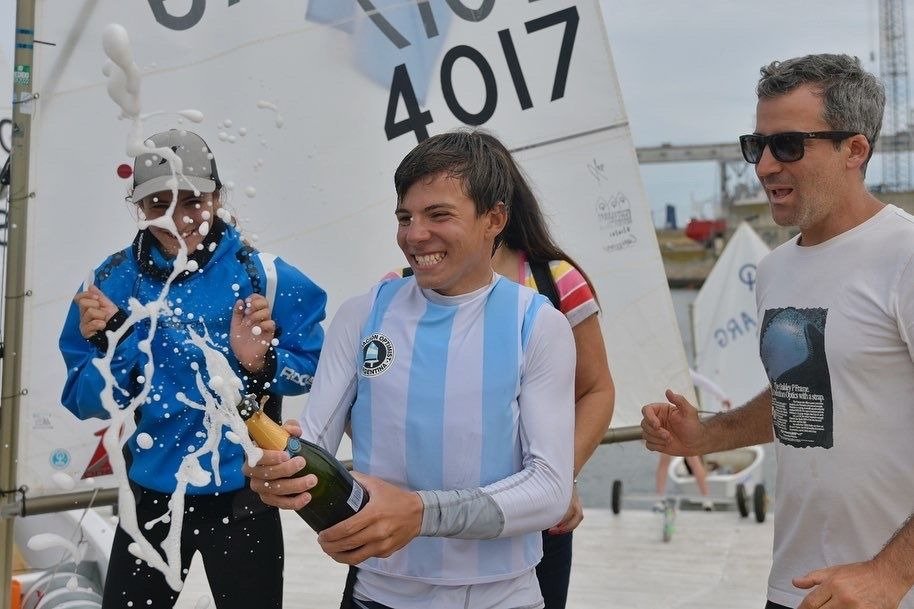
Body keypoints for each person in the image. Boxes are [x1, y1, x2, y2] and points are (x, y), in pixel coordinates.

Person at [245, 129, 576, 609]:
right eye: (405, 217)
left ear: (495, 219)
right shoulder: (362, 314)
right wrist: (278, 475)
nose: (415, 235)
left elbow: (549, 488)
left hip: (502, 596)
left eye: (438, 214)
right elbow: (313, 446)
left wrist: (420, 514)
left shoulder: (539, 324)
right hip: (379, 596)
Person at [641, 54, 914, 609]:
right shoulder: (775, 269)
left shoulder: (905, 256)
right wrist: (705, 437)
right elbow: (805, 392)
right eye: (756, 145)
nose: (763, 166)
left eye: (787, 145)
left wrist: (889, 574)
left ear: (854, 151)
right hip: (795, 586)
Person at [58, 129, 327, 609]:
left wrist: (261, 362)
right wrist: (113, 343)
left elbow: (312, 372)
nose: (177, 219)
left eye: (193, 201)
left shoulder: (264, 274)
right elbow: (84, 402)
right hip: (150, 501)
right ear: (137, 205)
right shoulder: (108, 283)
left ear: (218, 196)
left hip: (245, 497)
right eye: (158, 202)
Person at [483, 132, 615, 609]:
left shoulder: (556, 281)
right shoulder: (401, 288)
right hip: (434, 517)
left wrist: (561, 479)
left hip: (536, 519)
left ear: (501, 205)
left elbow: (596, 389)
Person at [653, 370, 730, 512]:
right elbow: (704, 382)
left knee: (685, 461)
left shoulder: (675, 370)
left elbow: (704, 383)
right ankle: (706, 501)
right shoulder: (681, 370)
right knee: (691, 461)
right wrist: (722, 397)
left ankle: (660, 500)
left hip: (676, 421)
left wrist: (722, 396)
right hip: (674, 421)